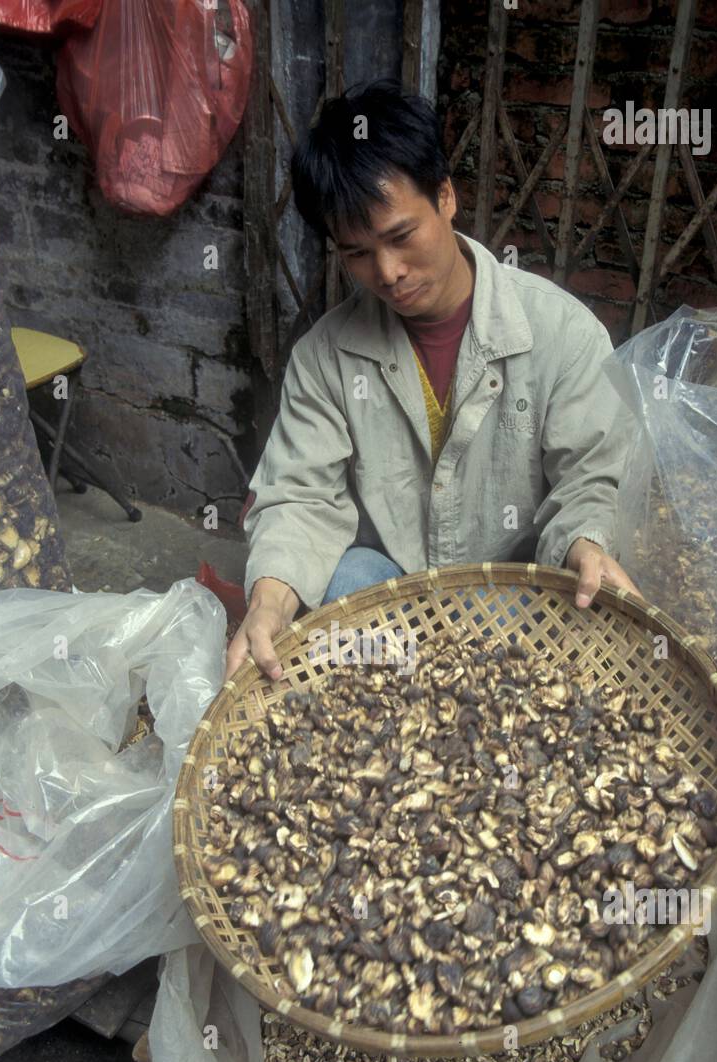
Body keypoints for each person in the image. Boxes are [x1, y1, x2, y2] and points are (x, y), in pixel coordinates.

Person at [228, 79, 642, 681]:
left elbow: (591, 480)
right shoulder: (325, 357)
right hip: (390, 593)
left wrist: (587, 542)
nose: (389, 273)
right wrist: (268, 600)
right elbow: (300, 497)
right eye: (357, 254)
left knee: (559, 624)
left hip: (510, 597)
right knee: (342, 582)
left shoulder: (562, 333)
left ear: (446, 196)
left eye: (401, 236)